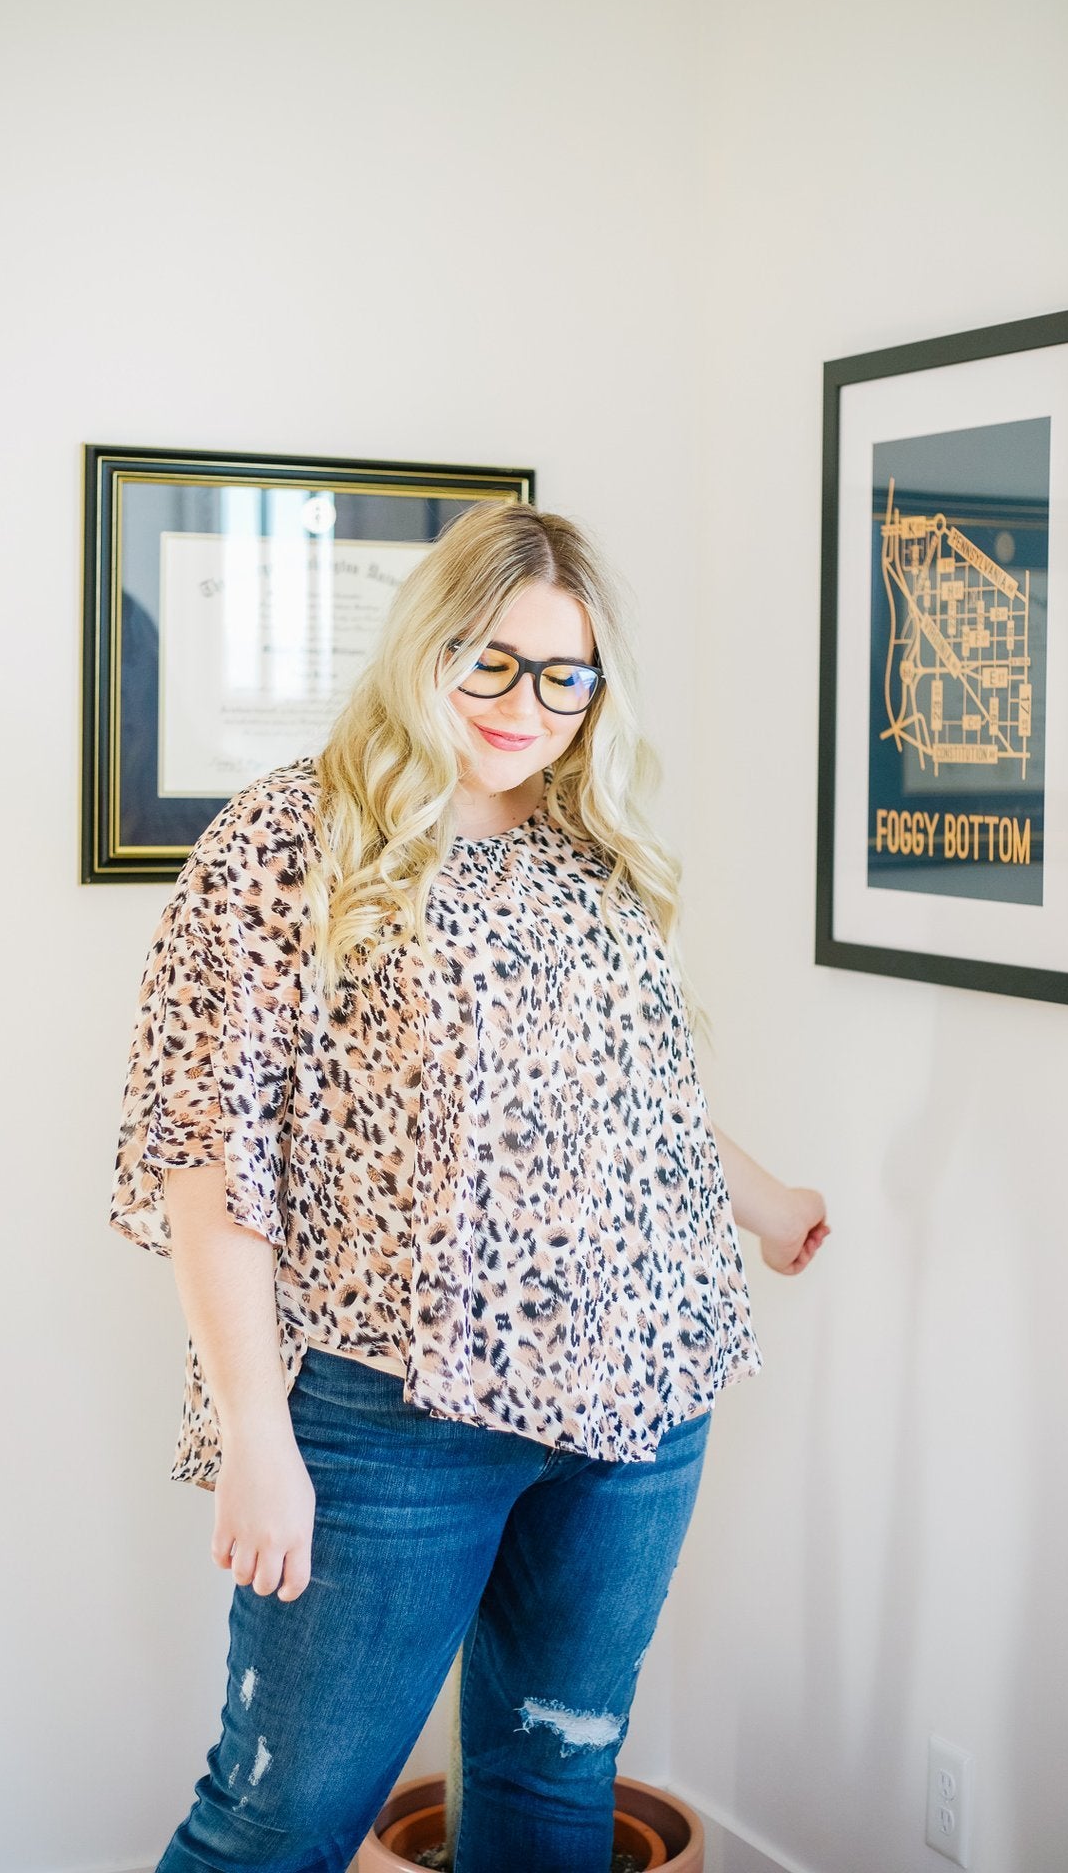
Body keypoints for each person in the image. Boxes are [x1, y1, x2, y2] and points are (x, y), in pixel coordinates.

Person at [109, 502, 828, 1873]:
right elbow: (205, 1150)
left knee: (552, 1786)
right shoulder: (283, 840)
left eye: (567, 675)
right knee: (277, 1822)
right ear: (424, 645)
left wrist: (765, 1197)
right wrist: (260, 1430)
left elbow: (625, 1104)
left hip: (638, 1398)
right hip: (388, 1414)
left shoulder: (588, 843)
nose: (529, 704)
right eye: (493, 661)